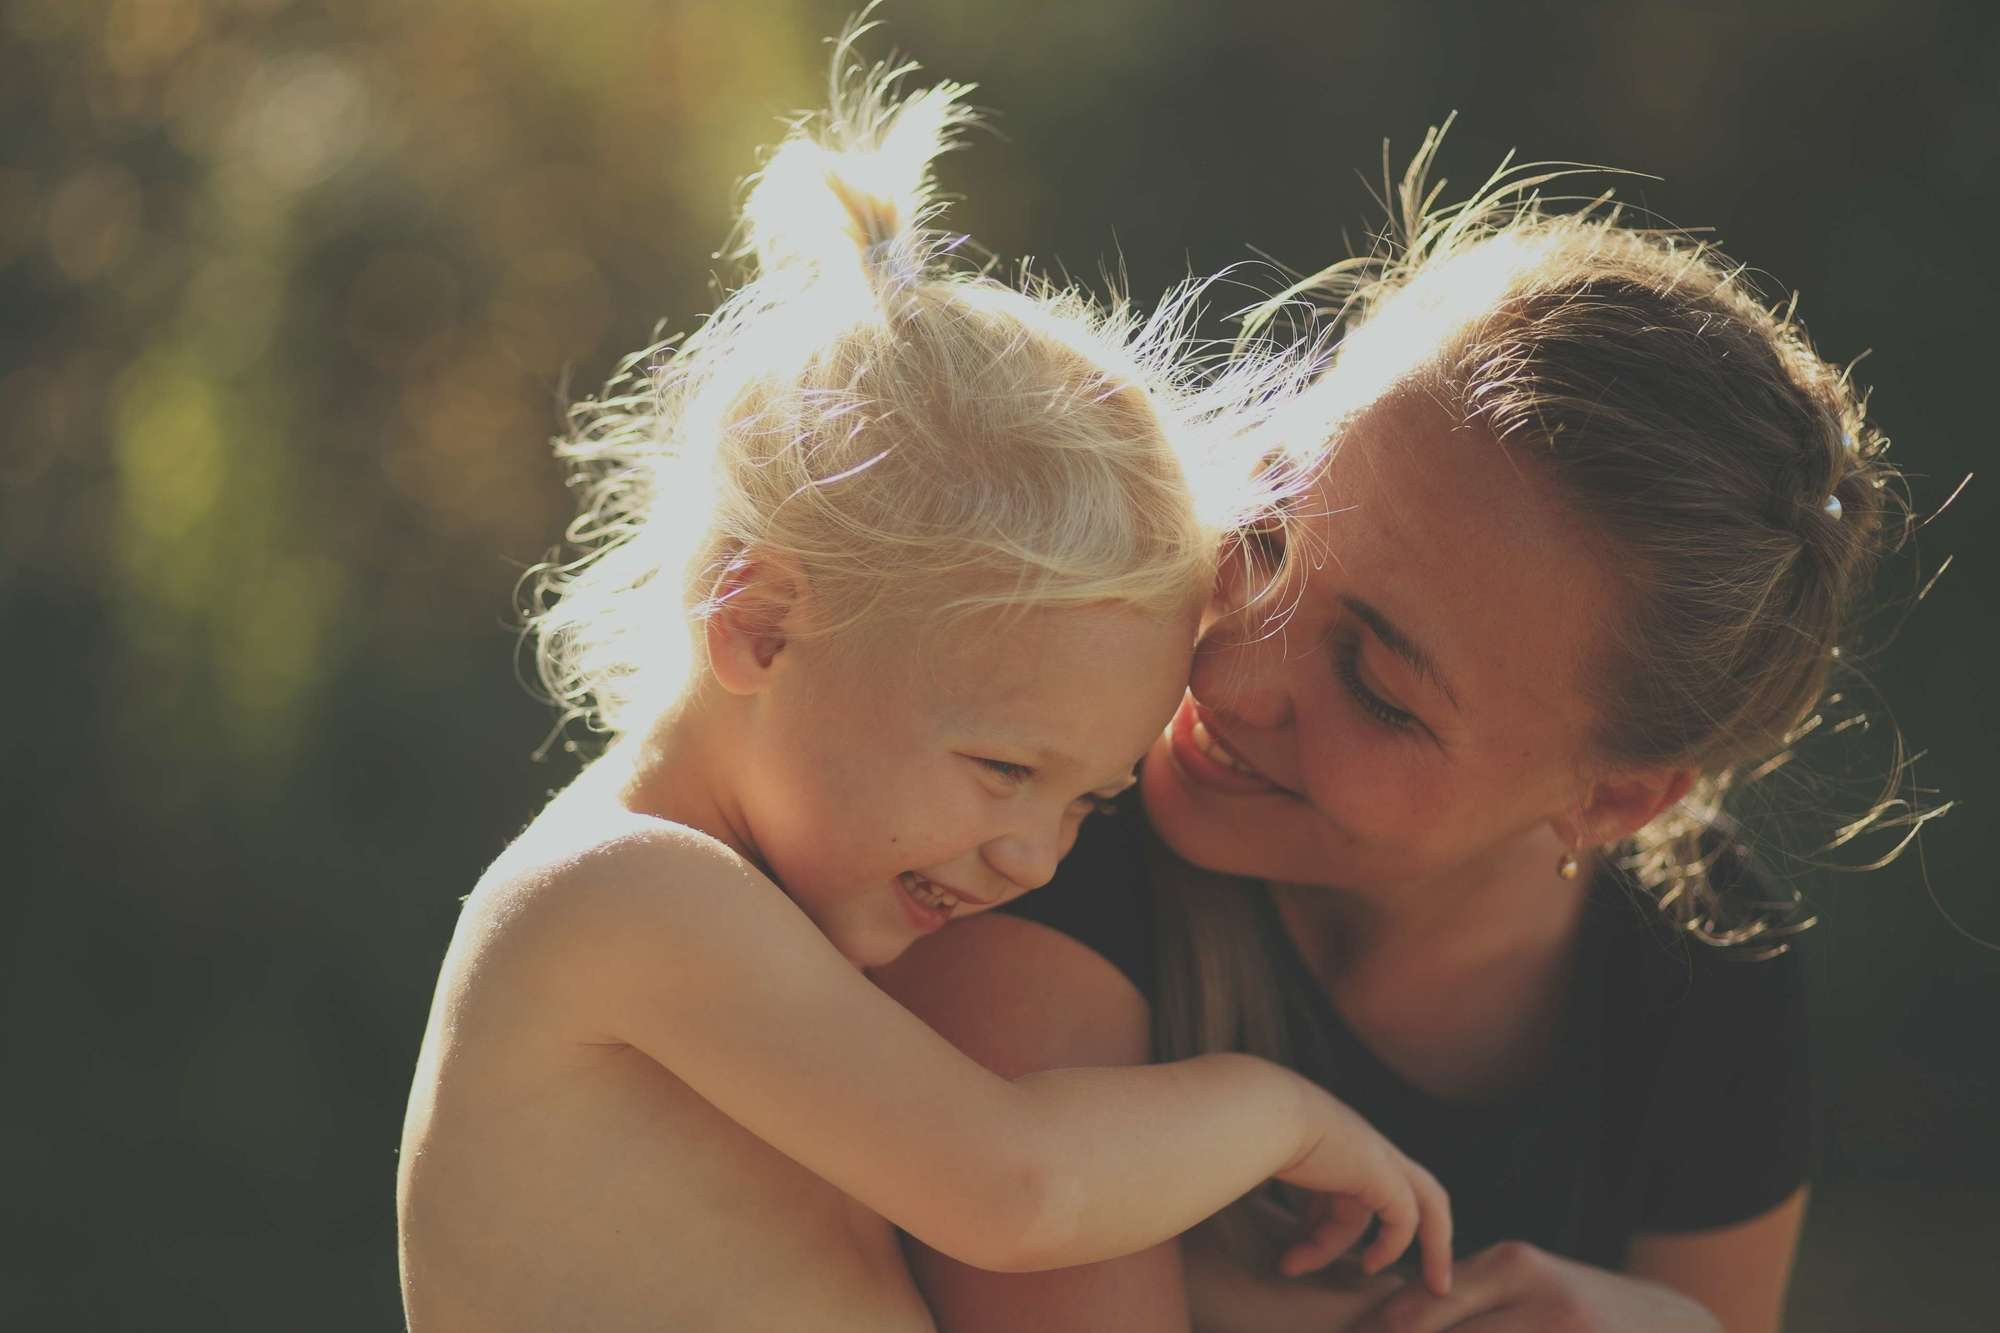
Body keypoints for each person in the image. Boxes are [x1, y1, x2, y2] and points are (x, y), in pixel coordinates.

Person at [395, 46, 1453, 1333]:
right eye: (1007, 770)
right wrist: (1280, 1113)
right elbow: (1015, 1189)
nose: (1034, 855)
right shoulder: (621, 898)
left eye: (1083, 803)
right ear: (761, 624)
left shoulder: (776, 931)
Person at [876, 136, 1923, 1333]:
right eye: (1264, 532)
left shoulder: (1706, 975)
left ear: (1616, 801)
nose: (1221, 671)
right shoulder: (1046, 809)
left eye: (1376, 689)